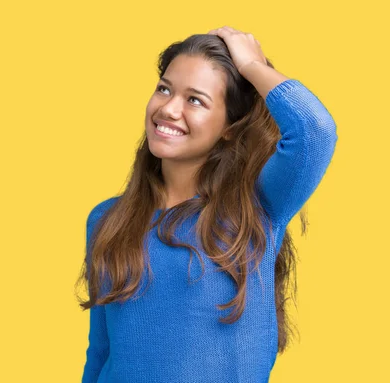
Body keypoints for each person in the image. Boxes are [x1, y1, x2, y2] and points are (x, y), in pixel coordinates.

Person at [75, 26, 338, 383]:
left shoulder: (256, 208)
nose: (168, 108)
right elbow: (101, 351)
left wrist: (252, 67)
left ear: (229, 126)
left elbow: (314, 130)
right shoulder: (107, 219)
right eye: (164, 89)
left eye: (194, 100)